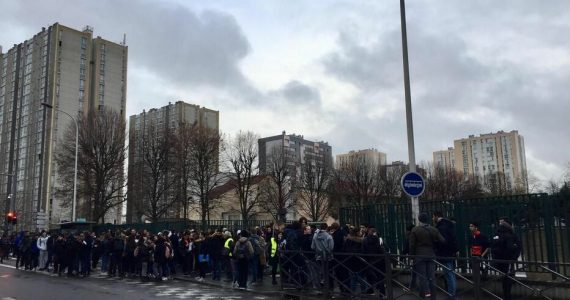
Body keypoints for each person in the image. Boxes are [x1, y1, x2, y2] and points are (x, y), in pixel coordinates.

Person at [410, 212, 445, 300]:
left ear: (419, 219)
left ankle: (426, 294)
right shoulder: (434, 229)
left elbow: (412, 245)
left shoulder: (415, 230)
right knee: (431, 277)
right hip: (431, 254)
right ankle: (433, 296)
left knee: (422, 276)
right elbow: (442, 241)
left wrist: (412, 257)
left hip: (419, 255)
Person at [491, 218, 521, 300]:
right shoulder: (511, 235)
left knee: (505, 278)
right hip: (507, 261)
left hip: (499, 261)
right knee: (507, 279)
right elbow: (515, 248)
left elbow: (493, 248)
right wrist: (513, 258)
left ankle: (506, 296)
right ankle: (507, 297)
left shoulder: (496, 234)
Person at [433, 211, 458, 298]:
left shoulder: (441, 227)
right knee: (451, 273)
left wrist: (437, 247)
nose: (433, 219)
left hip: (444, 253)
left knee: (448, 274)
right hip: (450, 252)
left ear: (437, 216)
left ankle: (451, 294)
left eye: (433, 217)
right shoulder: (449, 225)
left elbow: (443, 241)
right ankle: (453, 293)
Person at [312, 223, 334, 290]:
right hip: (328, 257)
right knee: (329, 274)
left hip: (318, 256)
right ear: (327, 228)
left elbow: (312, 247)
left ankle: (321, 286)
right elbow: (331, 248)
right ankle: (329, 288)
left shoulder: (315, 236)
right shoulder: (329, 236)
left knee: (320, 272)